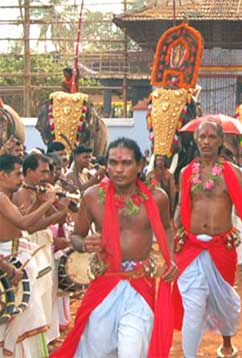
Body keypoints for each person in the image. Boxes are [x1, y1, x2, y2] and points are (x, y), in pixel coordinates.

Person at [51, 137, 177, 358]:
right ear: (106, 165)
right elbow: (77, 236)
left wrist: (171, 257)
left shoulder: (158, 198)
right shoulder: (92, 198)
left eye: (126, 163)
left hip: (139, 284)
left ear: (139, 166)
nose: (118, 169)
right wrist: (84, 244)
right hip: (103, 284)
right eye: (113, 163)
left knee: (132, 351)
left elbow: (167, 228)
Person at [173, 120, 242, 358]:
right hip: (191, 248)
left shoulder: (232, 173)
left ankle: (227, 342)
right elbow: (181, 207)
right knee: (193, 306)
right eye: (202, 137)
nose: (206, 141)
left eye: (211, 137)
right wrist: (173, 234)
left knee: (224, 300)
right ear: (196, 140)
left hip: (221, 248)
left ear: (220, 141)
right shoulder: (186, 173)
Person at [0, 154, 61, 357]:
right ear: (2, 175)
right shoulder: (0, 197)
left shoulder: (5, 198)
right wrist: (50, 202)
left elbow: (24, 222)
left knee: (21, 316)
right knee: (20, 317)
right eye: (17, 174)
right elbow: (24, 224)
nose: (20, 179)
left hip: (15, 256)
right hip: (9, 260)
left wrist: (39, 203)